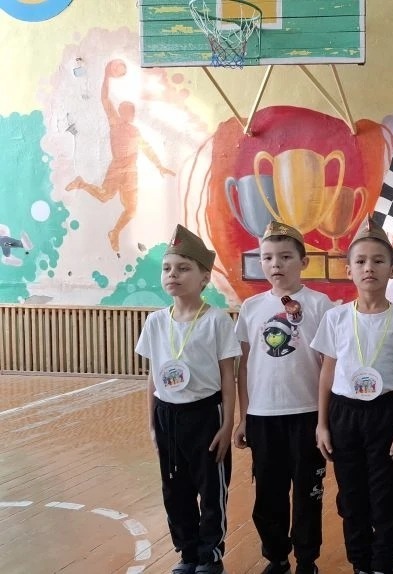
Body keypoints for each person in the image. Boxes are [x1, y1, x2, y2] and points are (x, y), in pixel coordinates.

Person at [310, 218, 393, 574]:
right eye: (360, 261)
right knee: (352, 497)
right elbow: (327, 372)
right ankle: (360, 563)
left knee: (386, 497)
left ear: (392, 270)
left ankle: (383, 565)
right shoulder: (336, 319)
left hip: (386, 413)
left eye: (377, 260)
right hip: (344, 414)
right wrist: (322, 424)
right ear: (349, 270)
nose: (369, 267)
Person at [135, 225, 241, 574]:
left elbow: (228, 377)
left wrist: (227, 424)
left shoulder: (216, 321)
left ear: (204, 277)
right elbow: (153, 377)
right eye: (167, 268)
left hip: (205, 415)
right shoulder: (154, 322)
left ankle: (210, 555)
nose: (173, 275)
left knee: (211, 490)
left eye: (183, 268)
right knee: (174, 489)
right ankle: (188, 552)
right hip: (168, 416)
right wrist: (153, 425)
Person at [233, 221, 334, 574]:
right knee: (268, 495)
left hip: (307, 415)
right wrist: (244, 417)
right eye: (268, 257)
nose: (276, 264)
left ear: (303, 262)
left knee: (308, 494)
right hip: (263, 417)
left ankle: (307, 560)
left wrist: (325, 420)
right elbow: (244, 366)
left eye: (286, 257)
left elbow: (329, 366)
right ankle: (276, 558)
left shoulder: (321, 305)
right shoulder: (250, 308)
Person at [65, 59, 175, 252]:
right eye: (125, 111)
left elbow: (147, 148)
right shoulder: (114, 123)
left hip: (131, 172)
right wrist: (106, 75)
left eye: (131, 112)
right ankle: (81, 183)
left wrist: (159, 165)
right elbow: (105, 99)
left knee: (131, 210)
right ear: (121, 112)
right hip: (117, 168)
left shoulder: (135, 131)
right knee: (105, 196)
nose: (129, 114)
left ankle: (114, 232)